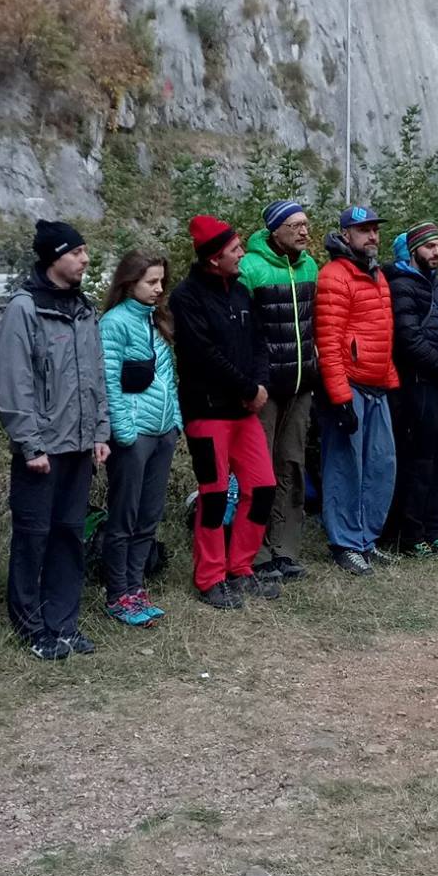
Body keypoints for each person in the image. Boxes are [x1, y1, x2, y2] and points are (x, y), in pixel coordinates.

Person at [0, 220, 112, 656]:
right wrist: (30, 444)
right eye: (77, 252)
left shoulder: (84, 308)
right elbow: (14, 386)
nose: (85, 259)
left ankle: (63, 622)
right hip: (42, 451)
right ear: (54, 257)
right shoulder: (24, 309)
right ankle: (30, 628)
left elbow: (95, 377)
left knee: (69, 535)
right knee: (32, 537)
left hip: (80, 447)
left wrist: (101, 432)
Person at [170, 217, 277, 608]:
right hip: (207, 411)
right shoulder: (186, 297)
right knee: (214, 496)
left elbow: (259, 342)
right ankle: (210, 577)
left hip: (244, 411)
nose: (242, 254)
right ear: (215, 258)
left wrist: (260, 385)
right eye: (235, 250)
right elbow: (203, 356)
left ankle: (241, 568)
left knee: (262, 487)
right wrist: (249, 388)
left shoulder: (240, 292)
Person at [314, 206, 400, 575]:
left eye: (375, 230)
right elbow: (329, 341)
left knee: (381, 466)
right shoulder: (334, 276)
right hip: (349, 384)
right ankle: (345, 543)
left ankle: (366, 539)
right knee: (345, 467)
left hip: (377, 384)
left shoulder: (376, 274)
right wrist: (339, 397)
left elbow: (383, 332)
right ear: (346, 235)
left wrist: (390, 376)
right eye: (363, 230)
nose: (372, 237)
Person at [97, 250, 180, 626]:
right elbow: (110, 383)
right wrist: (124, 432)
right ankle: (118, 593)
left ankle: (136, 586)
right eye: (151, 282)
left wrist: (174, 420)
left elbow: (166, 377)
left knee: (149, 515)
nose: (159, 289)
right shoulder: (114, 324)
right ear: (129, 283)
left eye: (161, 281)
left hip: (162, 432)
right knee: (124, 516)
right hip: (134, 436)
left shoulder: (156, 321)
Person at [238, 200, 319, 580]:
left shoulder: (309, 265)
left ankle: (284, 548)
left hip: (301, 385)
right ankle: (254, 552)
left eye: (306, 224)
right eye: (295, 225)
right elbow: (242, 331)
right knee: (260, 469)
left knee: (291, 463)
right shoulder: (249, 268)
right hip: (265, 388)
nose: (304, 231)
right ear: (274, 230)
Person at [383, 221, 438, 556]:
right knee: (418, 461)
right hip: (418, 386)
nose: (436, 253)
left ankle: (434, 529)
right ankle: (410, 533)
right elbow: (408, 339)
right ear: (415, 248)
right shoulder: (402, 286)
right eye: (430, 246)